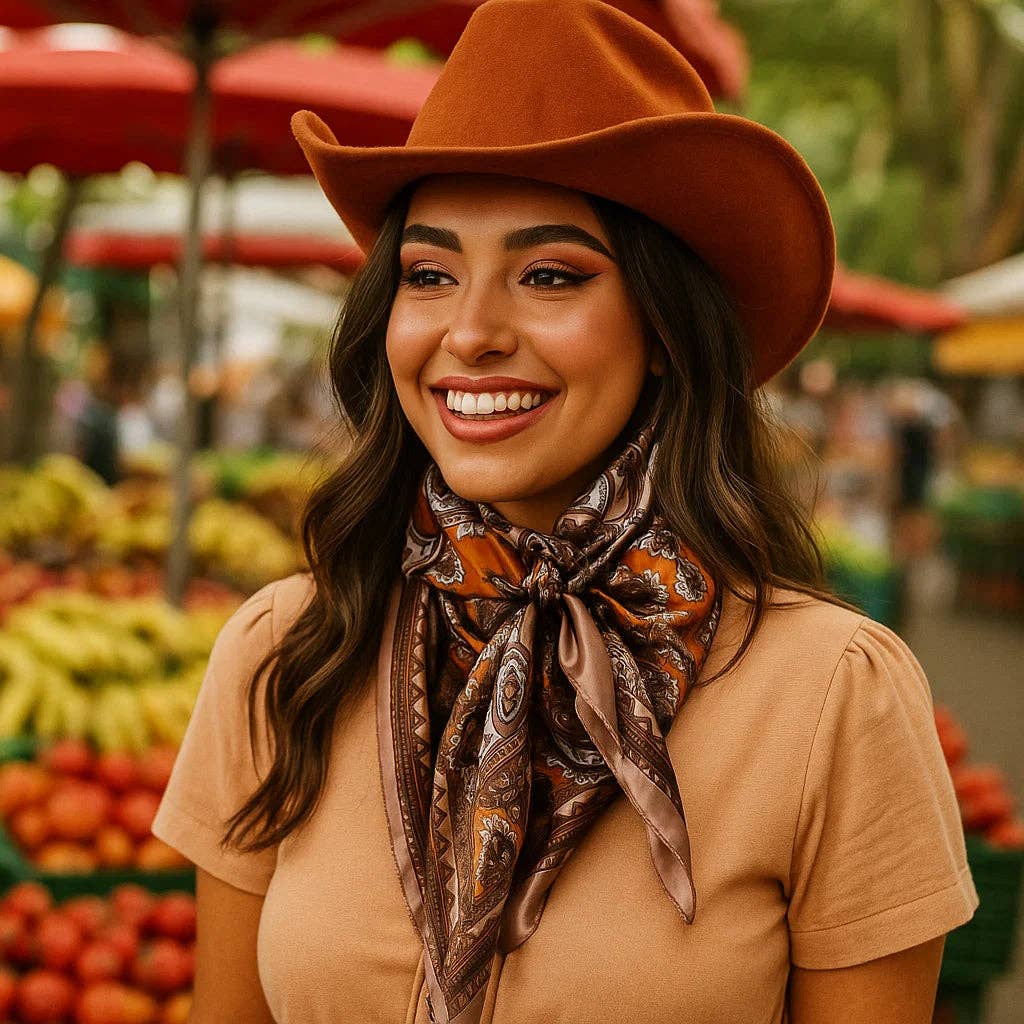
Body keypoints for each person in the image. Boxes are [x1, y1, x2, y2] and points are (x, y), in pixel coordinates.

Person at [151, 3, 978, 1022]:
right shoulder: (290, 649)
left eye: (550, 274)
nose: (471, 331)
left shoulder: (829, 696)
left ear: (668, 326)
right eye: (429, 273)